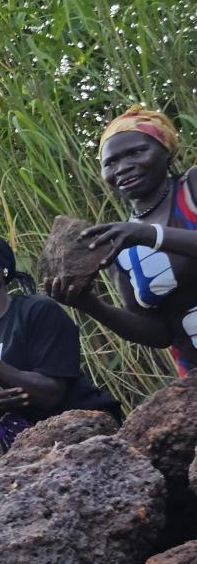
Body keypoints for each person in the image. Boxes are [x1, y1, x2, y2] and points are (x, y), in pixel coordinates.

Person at [0, 230, 119, 452]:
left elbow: (51, 394)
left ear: (2, 267)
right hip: (26, 451)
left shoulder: (37, 312)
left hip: (84, 433)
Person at [46, 104, 197, 381]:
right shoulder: (119, 243)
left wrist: (148, 235)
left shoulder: (191, 188)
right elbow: (160, 333)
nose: (123, 167)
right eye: (110, 162)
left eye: (137, 152)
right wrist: (90, 305)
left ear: (166, 150)